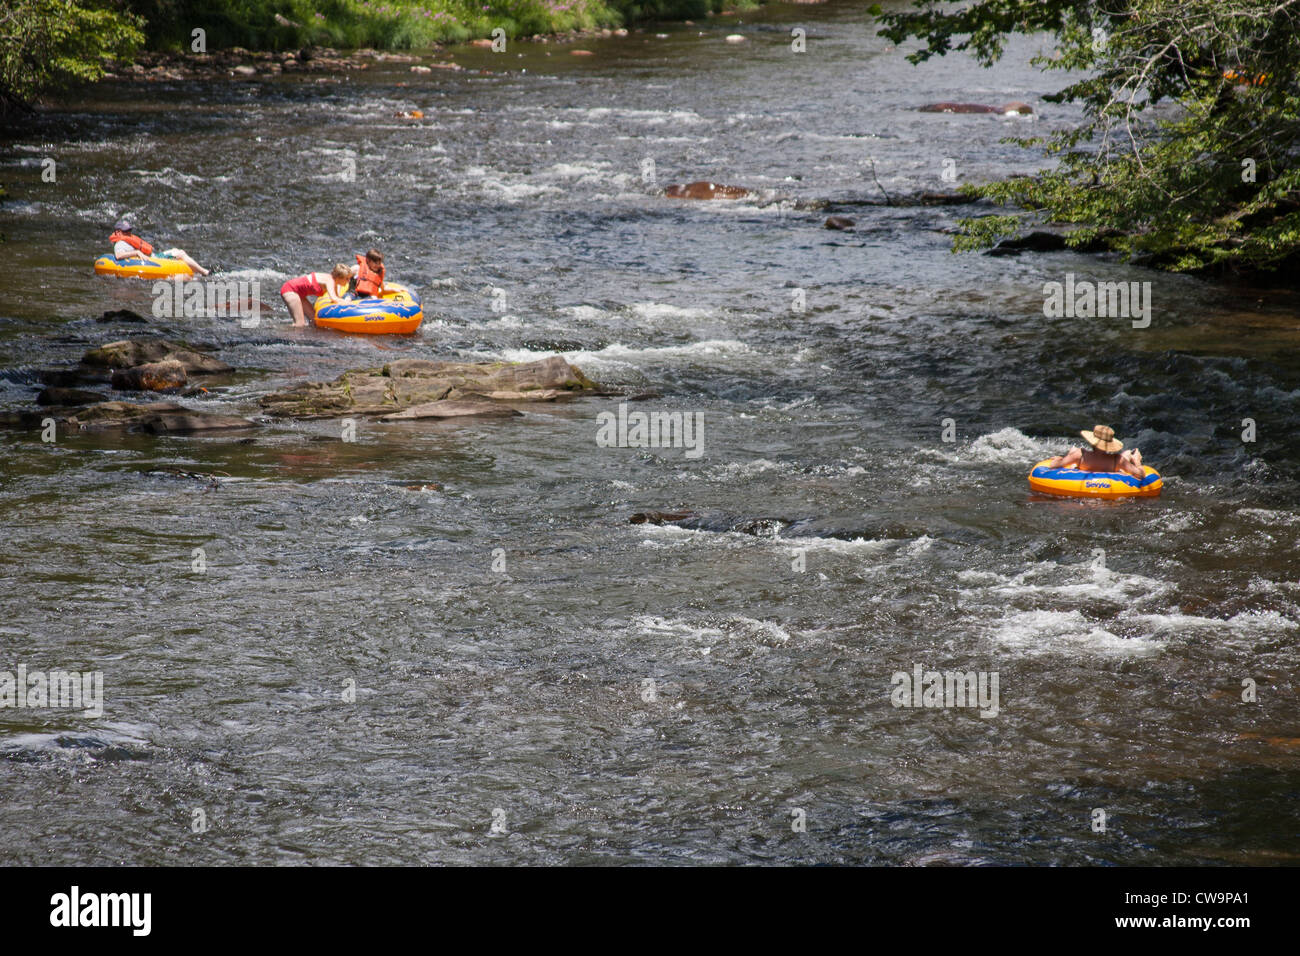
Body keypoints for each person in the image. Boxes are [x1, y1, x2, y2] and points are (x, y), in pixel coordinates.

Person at [109, 218, 210, 276]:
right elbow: (118, 255)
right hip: (153, 261)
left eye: (129, 231)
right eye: (125, 231)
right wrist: (137, 252)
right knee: (180, 253)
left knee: (176, 250)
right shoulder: (120, 243)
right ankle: (204, 272)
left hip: (154, 257)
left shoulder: (128, 240)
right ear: (118, 232)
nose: (128, 233)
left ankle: (197, 271)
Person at [1044, 424, 1146, 479]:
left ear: (1092, 441)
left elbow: (1054, 466)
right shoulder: (1118, 460)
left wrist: (1059, 459)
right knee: (1127, 453)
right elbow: (1141, 475)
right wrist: (1137, 461)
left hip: (1082, 465)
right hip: (1113, 466)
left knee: (1073, 450)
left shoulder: (1080, 455)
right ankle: (1130, 455)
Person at [280, 264, 350, 327]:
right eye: (346, 278)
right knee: (300, 323)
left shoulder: (334, 283)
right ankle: (283, 333)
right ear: (338, 278)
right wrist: (348, 303)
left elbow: (336, 299)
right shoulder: (330, 280)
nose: (348, 281)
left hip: (299, 294)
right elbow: (334, 298)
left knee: (315, 321)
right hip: (290, 290)